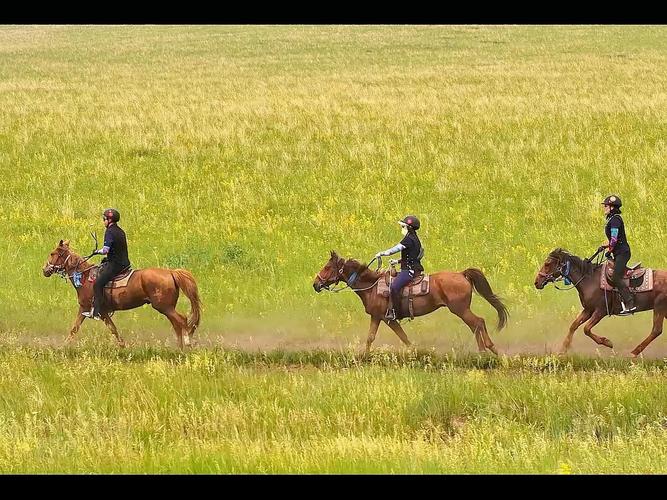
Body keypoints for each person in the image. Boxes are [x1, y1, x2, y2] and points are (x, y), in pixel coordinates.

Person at [83, 208, 131, 320]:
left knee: (97, 284)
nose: (103, 221)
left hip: (116, 265)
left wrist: (96, 252)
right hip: (125, 263)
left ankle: (97, 311)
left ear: (109, 220)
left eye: (104, 219)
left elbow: (105, 250)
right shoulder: (120, 231)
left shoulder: (109, 232)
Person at [375, 215, 424, 320]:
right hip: (412, 267)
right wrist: (397, 261)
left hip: (408, 271)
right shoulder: (415, 239)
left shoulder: (408, 240)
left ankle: (395, 312)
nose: (402, 229)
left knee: (394, 287)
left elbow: (394, 250)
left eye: (403, 227)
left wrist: (381, 253)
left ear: (409, 228)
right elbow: (412, 256)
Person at [599, 195, 635, 315]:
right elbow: (613, 239)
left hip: (622, 253)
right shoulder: (612, 219)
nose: (604, 208)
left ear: (612, 207)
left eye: (606, 206)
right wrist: (605, 246)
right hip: (619, 252)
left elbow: (614, 239)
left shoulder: (615, 220)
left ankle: (630, 303)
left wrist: (609, 249)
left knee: (615, 277)